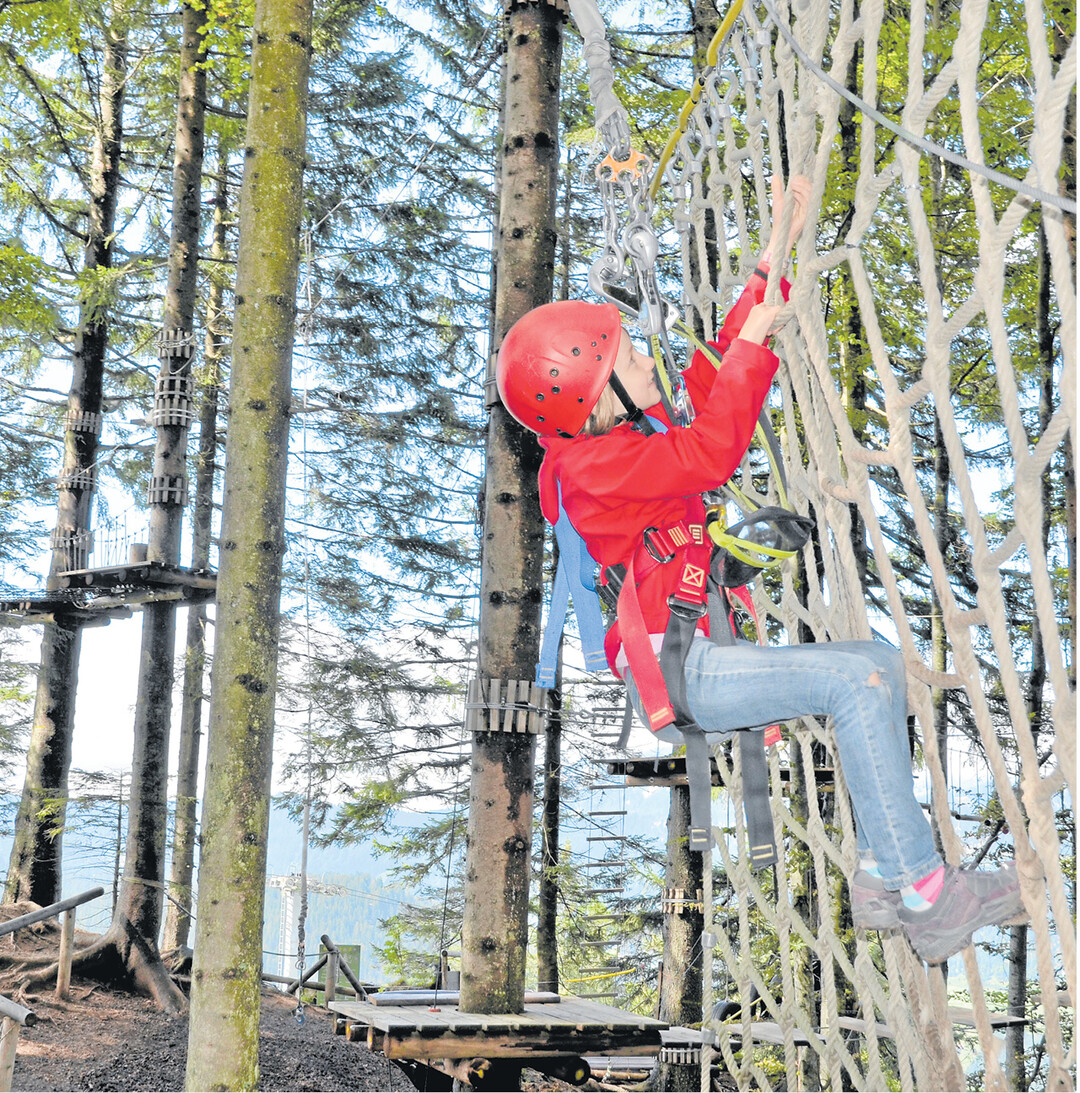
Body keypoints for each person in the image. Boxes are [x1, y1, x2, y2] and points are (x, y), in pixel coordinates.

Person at [495, 175, 1027, 965]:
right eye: (628, 356)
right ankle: (923, 891)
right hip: (687, 671)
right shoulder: (593, 470)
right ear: (594, 396)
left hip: (700, 655)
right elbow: (712, 449)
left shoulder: (621, 440)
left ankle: (887, 875)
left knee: (874, 665)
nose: (646, 359)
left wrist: (770, 261)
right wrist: (752, 340)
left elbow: (712, 389)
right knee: (861, 679)